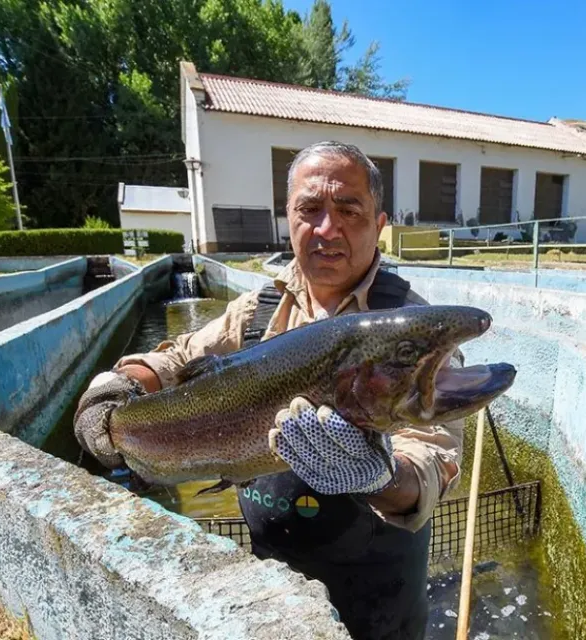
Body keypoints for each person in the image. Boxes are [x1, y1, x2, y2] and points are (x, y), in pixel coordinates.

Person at [74, 140, 464, 640]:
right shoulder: (257, 309)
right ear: (288, 216)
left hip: (378, 597)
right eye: (310, 209)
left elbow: (432, 463)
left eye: (349, 209)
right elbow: (177, 357)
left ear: (380, 223)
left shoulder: (411, 336)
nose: (327, 228)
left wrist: (378, 476)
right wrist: (120, 385)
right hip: (274, 582)